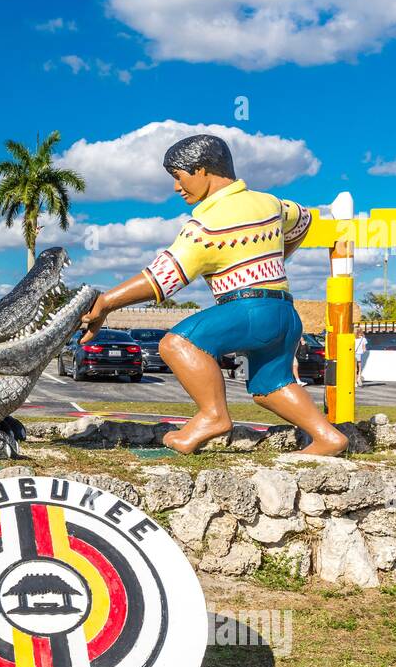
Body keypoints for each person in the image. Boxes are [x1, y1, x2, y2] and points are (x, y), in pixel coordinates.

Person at [78, 134, 348, 456]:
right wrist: (276, 258)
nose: (177, 188)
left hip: (247, 309)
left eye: (179, 177)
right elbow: (303, 221)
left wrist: (106, 303)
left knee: (178, 343)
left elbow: (161, 278)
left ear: (202, 170)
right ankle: (328, 437)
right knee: (269, 387)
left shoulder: (206, 225)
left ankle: (213, 415)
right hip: (285, 314)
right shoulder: (272, 204)